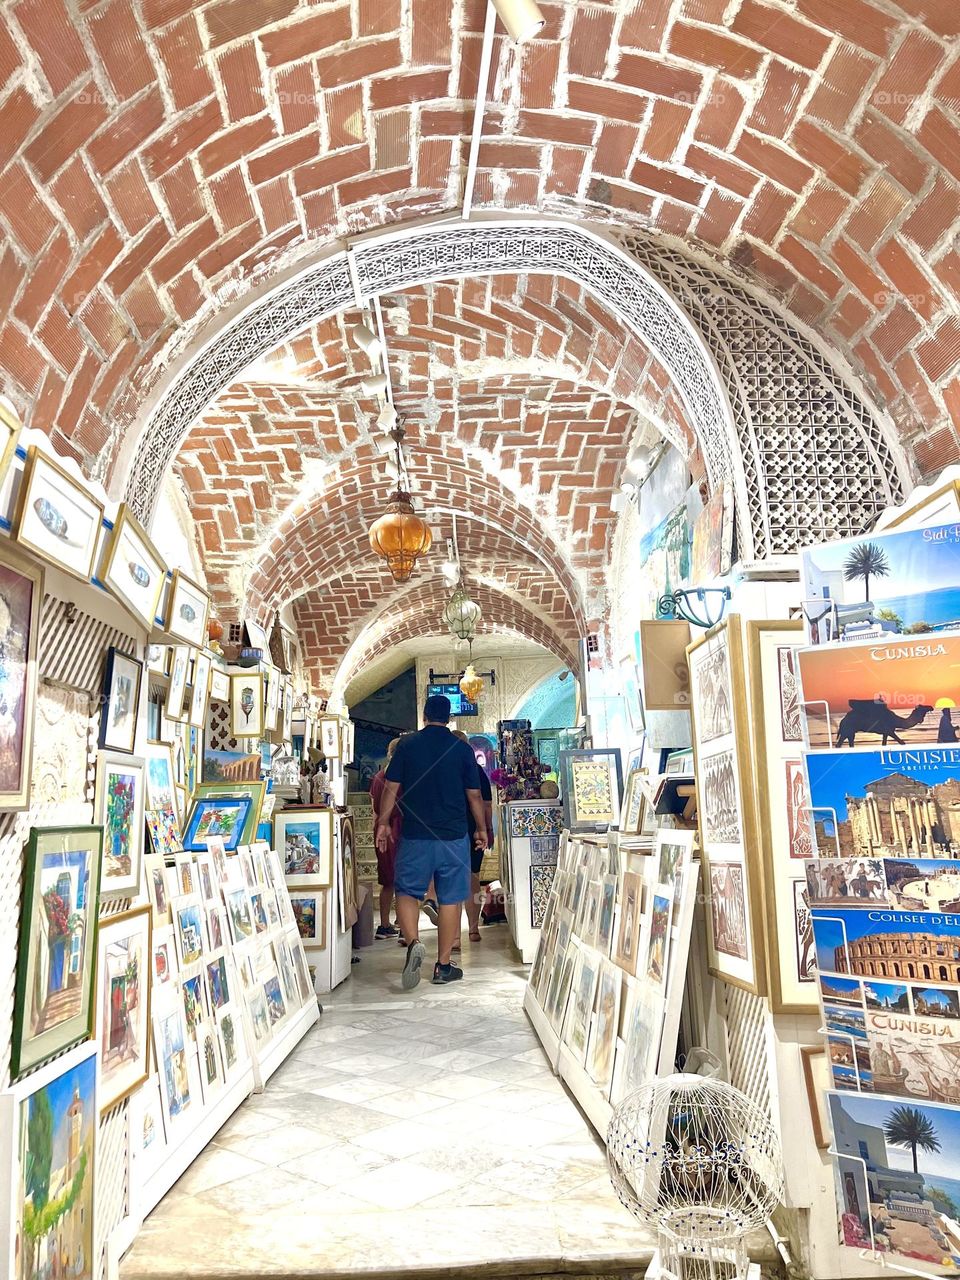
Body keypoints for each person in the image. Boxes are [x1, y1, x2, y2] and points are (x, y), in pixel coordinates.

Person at [375, 694, 486, 988]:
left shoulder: (407, 745)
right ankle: (443, 966)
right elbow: (474, 795)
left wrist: (383, 822)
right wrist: (481, 828)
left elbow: (391, 787)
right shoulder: (462, 749)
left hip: (415, 835)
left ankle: (413, 943)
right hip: (453, 836)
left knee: (406, 891)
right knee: (450, 899)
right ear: (449, 719)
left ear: (424, 716)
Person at [452, 729, 494, 944]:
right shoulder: (476, 770)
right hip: (473, 829)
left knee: (451, 881)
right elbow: (485, 803)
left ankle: (454, 936)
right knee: (472, 878)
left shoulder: (443, 769)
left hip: (450, 829)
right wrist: (487, 828)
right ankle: (473, 929)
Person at [369, 737, 403, 940]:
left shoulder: (378, 777)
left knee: (387, 880)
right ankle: (402, 922)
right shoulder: (402, 776)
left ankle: (384, 924)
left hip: (381, 829)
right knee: (403, 880)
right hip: (398, 828)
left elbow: (374, 808)